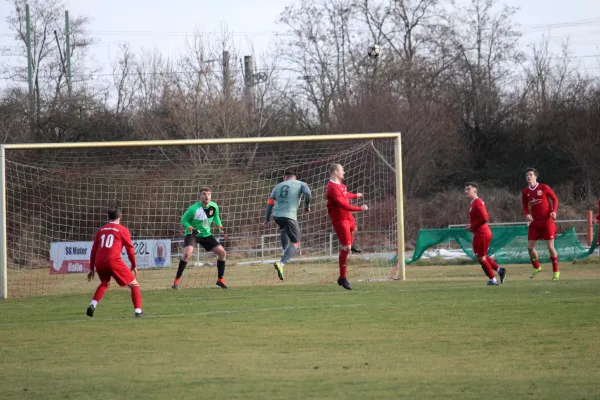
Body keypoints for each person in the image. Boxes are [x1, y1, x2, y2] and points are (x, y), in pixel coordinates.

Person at [86, 206, 145, 318]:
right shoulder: (123, 230)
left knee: (105, 283)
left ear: (108, 217)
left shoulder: (101, 230)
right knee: (134, 284)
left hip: (99, 262)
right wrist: (134, 264)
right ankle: (138, 312)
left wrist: (91, 268)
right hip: (113, 261)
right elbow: (130, 250)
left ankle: (92, 305)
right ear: (120, 216)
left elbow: (93, 250)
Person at [173, 187, 228, 289]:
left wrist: (221, 229)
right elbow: (183, 220)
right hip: (192, 234)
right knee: (187, 253)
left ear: (210, 196)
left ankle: (220, 280)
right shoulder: (193, 209)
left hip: (206, 234)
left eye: (208, 194)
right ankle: (176, 280)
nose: (206, 196)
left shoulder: (214, 206)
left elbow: (216, 217)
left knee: (222, 253)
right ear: (200, 196)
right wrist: (191, 228)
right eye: (204, 194)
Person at [326, 163, 368, 290]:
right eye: (341, 170)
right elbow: (343, 204)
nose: (343, 172)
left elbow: (345, 194)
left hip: (347, 216)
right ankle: (342, 278)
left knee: (354, 229)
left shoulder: (340, 185)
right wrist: (360, 208)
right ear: (335, 172)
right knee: (346, 248)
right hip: (340, 220)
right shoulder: (332, 188)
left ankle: (351, 244)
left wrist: (355, 195)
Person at [264, 170, 312, 280]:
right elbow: (308, 193)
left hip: (277, 216)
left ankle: (284, 250)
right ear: (294, 177)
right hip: (289, 216)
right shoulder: (301, 184)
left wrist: (267, 219)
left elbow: (269, 204)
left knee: (284, 229)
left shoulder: (277, 187)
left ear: (285, 178)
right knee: (296, 242)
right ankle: (281, 264)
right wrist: (307, 205)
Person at [521, 168, 560, 280]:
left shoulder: (544, 187)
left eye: (530, 175)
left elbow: (554, 199)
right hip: (535, 223)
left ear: (535, 176)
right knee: (529, 247)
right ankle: (537, 267)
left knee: (550, 247)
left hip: (547, 221)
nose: (528, 177)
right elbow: (524, 205)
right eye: (527, 175)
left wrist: (554, 211)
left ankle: (556, 272)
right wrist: (527, 214)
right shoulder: (525, 191)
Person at [464, 182, 506, 286]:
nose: (466, 191)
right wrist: (472, 227)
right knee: (481, 257)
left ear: (475, 191)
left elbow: (484, 218)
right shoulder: (473, 203)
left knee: (481, 258)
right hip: (478, 233)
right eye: (465, 189)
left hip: (482, 233)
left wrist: (472, 227)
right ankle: (499, 270)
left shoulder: (478, 202)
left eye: (468, 189)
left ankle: (493, 280)